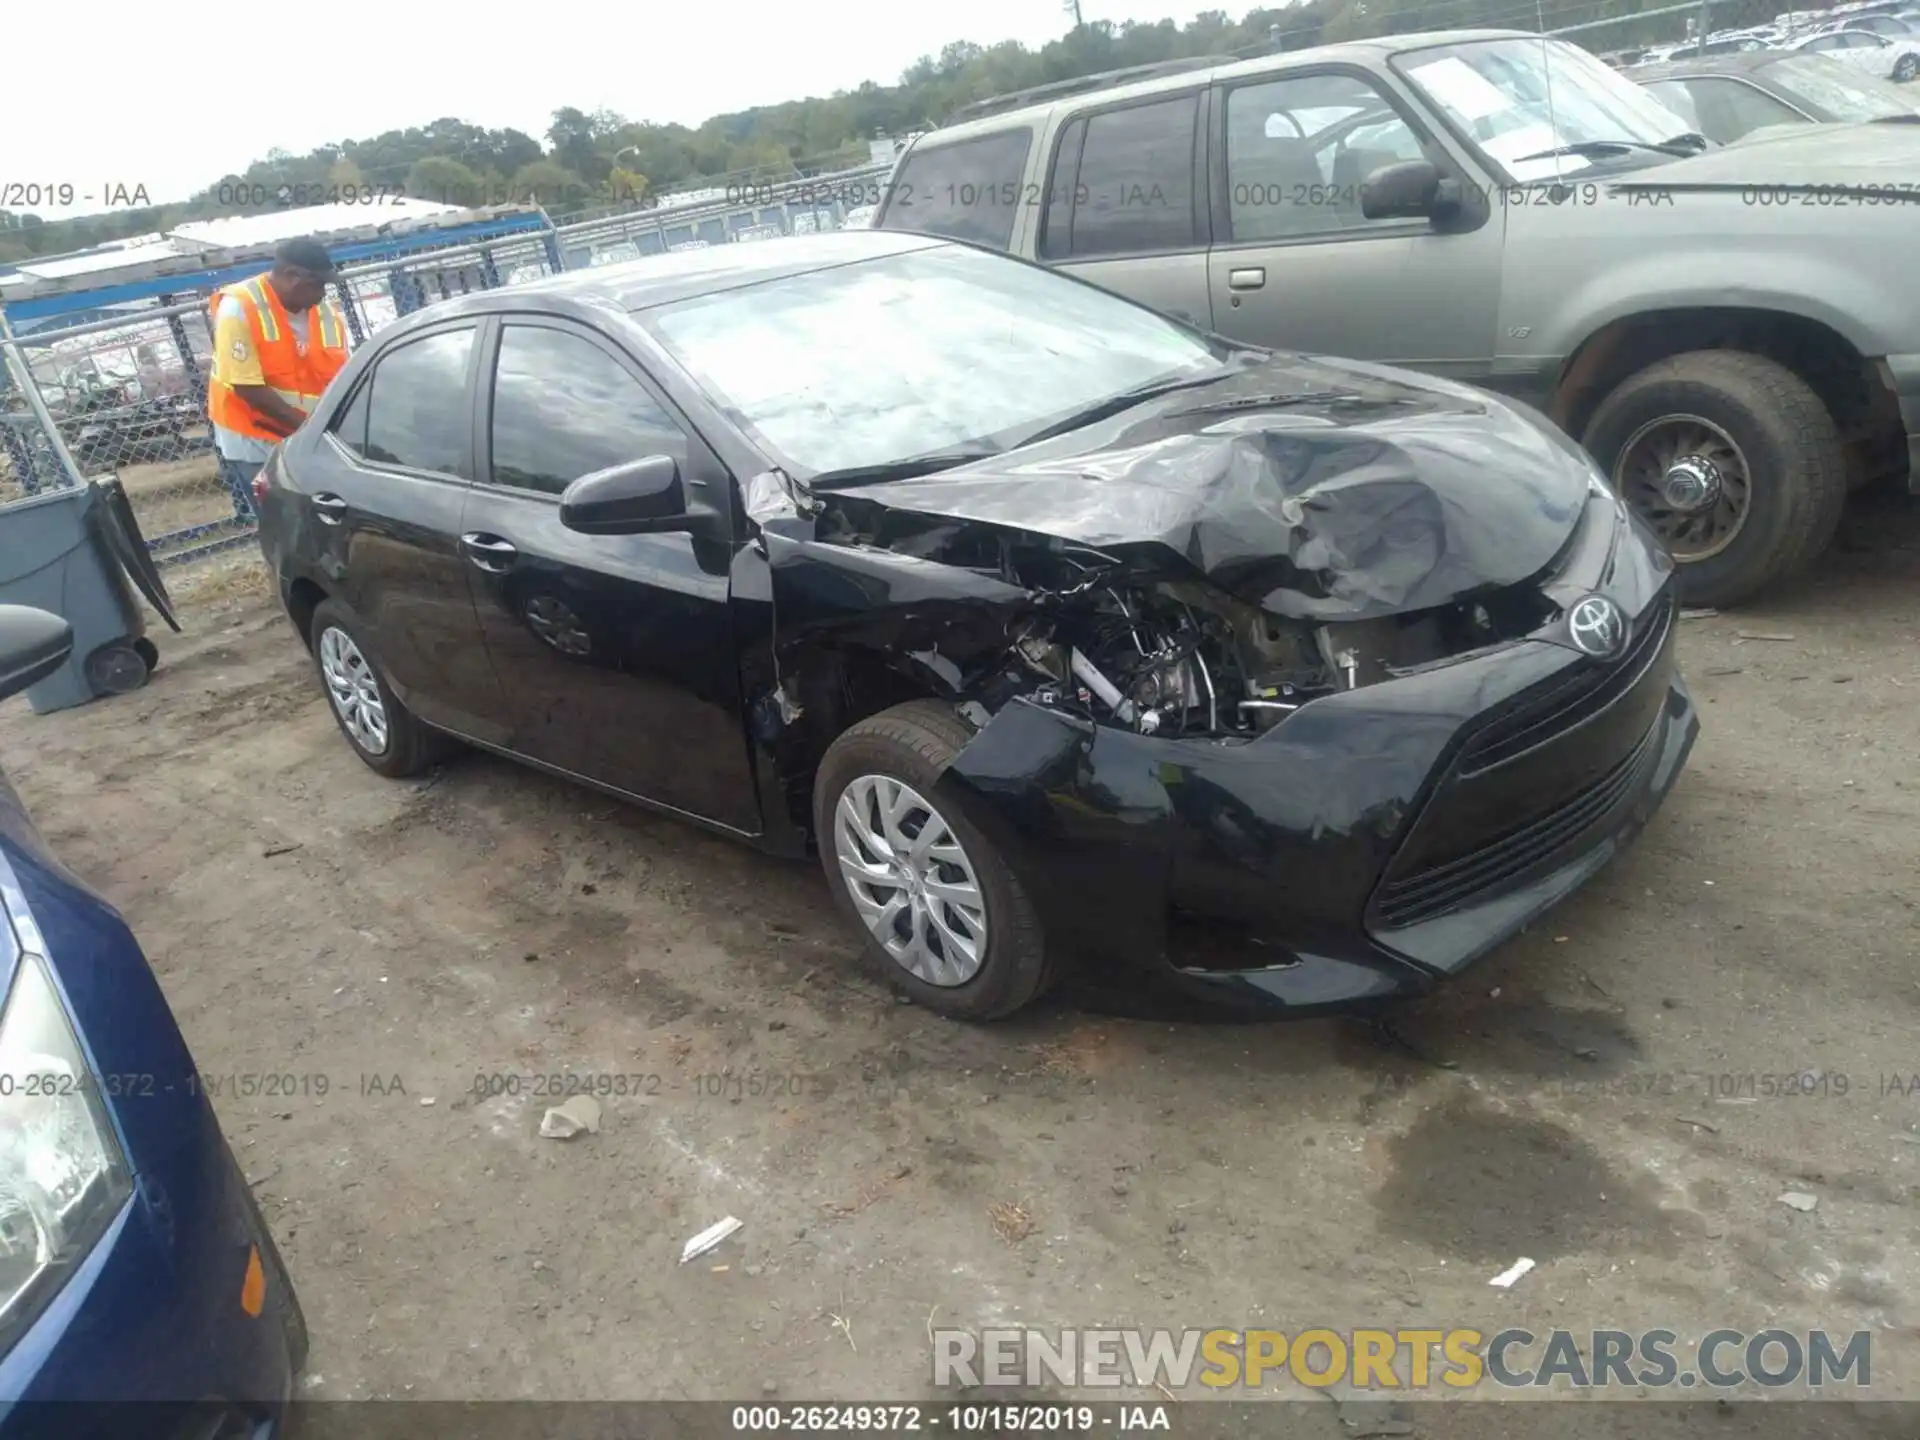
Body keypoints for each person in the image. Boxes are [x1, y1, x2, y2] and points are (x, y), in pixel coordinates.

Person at [205, 237, 351, 522]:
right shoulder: (239, 307)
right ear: (291, 276)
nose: (323, 293)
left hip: (308, 436)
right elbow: (248, 389)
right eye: (318, 284)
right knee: (283, 523)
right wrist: (312, 431)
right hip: (255, 439)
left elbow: (340, 374)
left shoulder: (324, 312)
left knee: (320, 520)